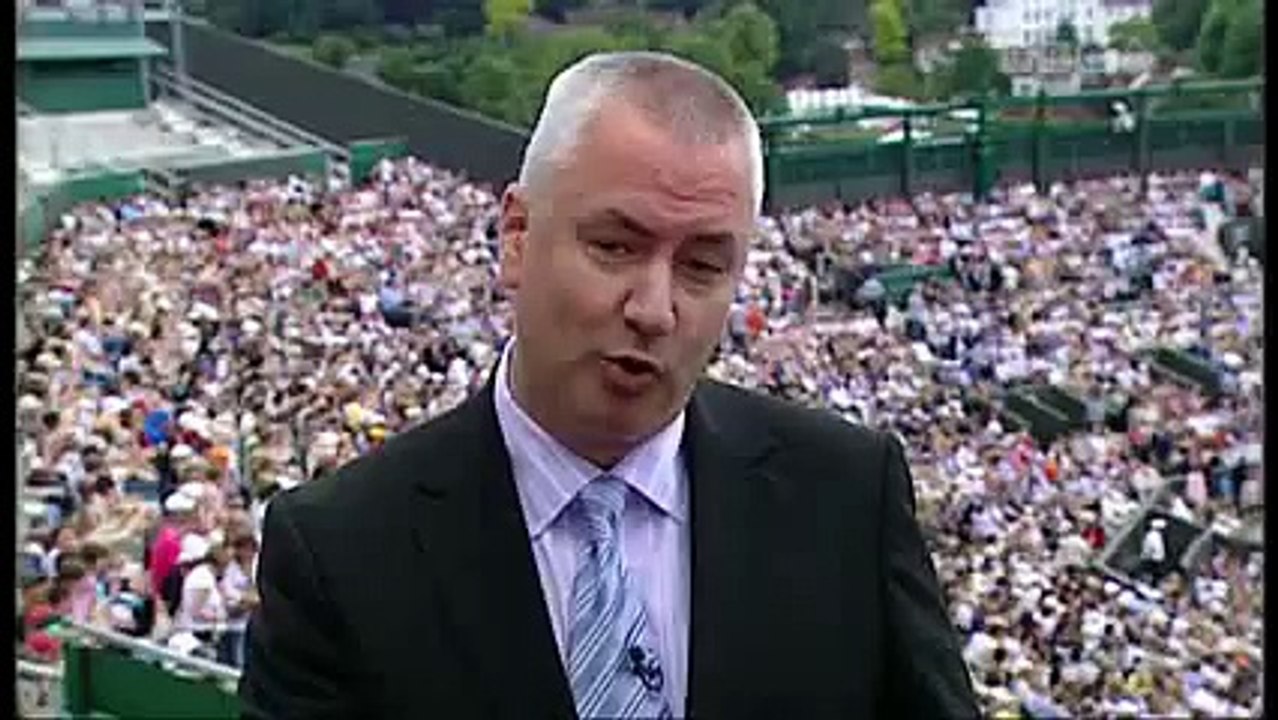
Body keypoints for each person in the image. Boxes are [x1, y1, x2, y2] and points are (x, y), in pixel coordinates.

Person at [240, 51, 978, 719]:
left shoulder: (847, 495)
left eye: (702, 266)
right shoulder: (341, 551)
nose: (654, 310)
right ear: (518, 237)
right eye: (615, 247)